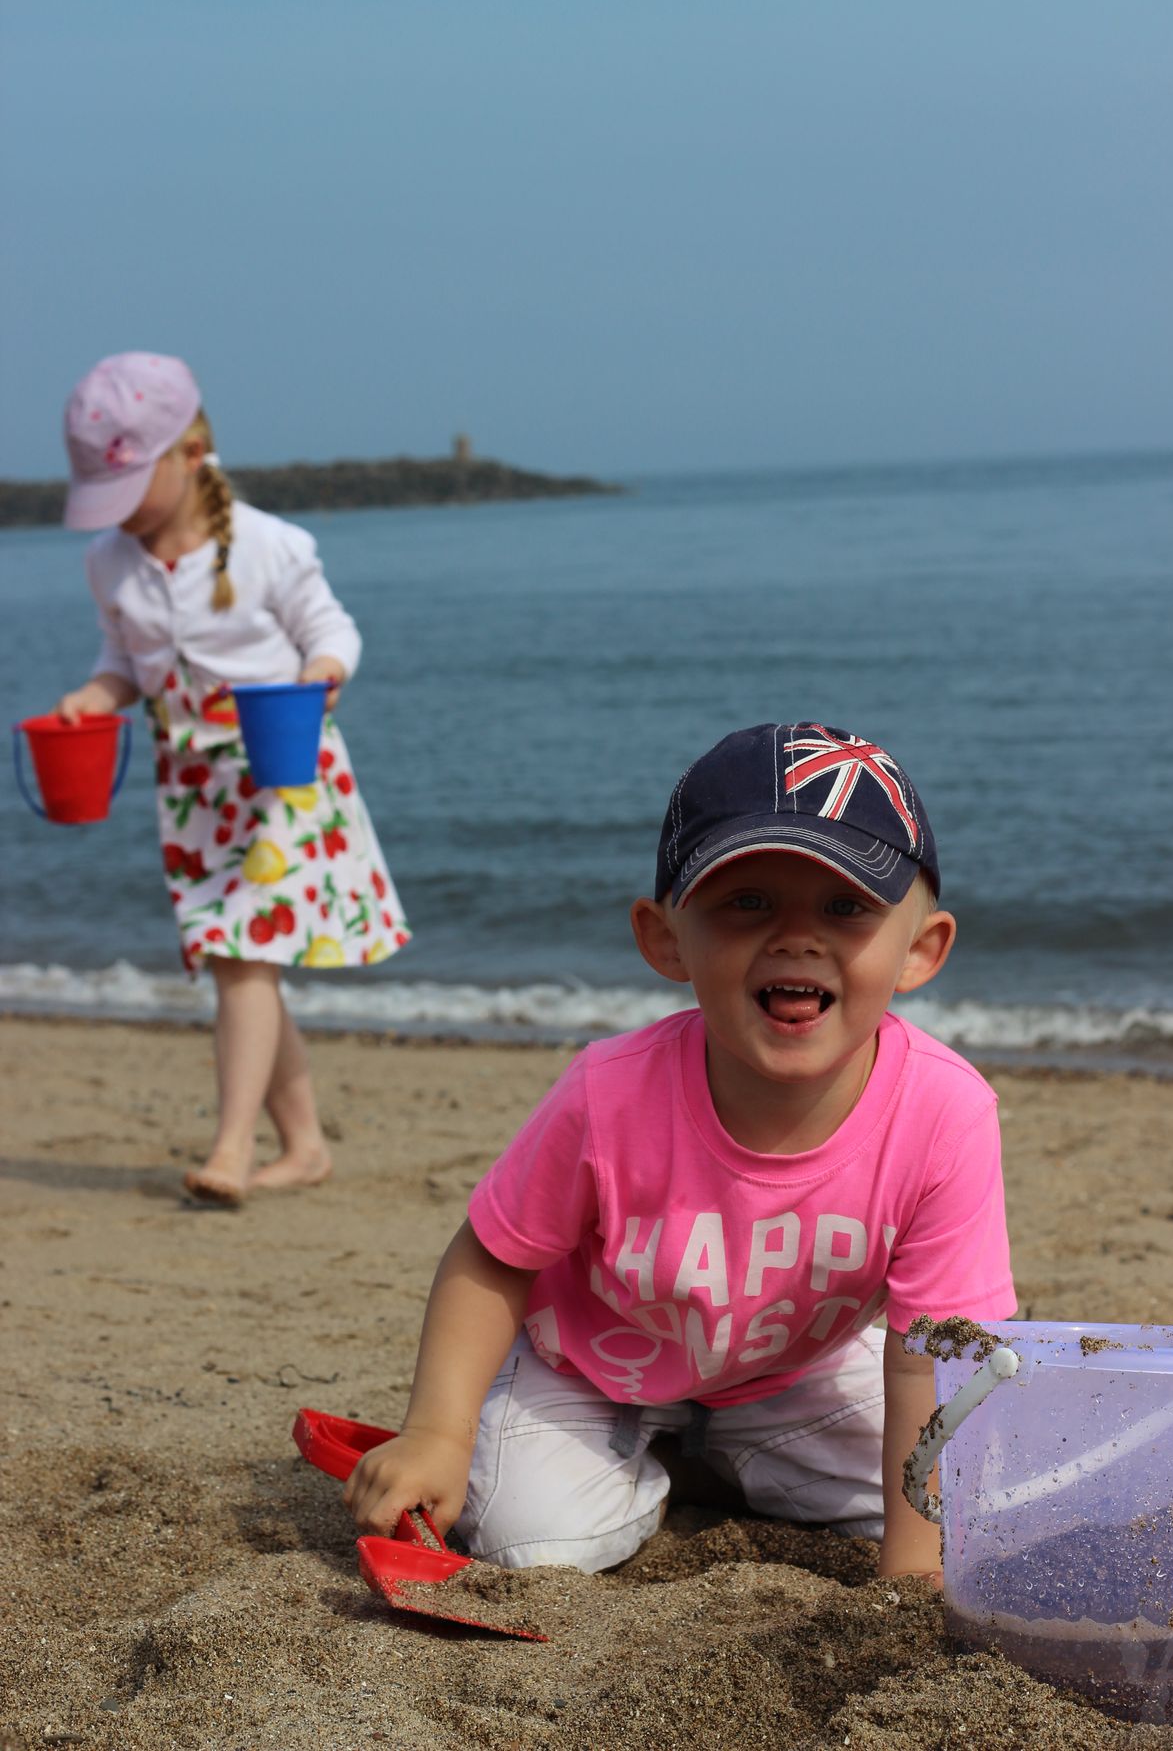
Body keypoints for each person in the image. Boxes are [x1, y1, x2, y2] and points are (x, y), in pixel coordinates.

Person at [344, 721, 1015, 1580]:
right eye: (747, 902)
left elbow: (936, 1352)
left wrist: (913, 1575)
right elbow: (493, 1255)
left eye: (846, 907)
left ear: (921, 949)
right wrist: (438, 1430)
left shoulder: (944, 1112)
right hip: (588, 1367)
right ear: (665, 938)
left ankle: (708, 1461)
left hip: (787, 1375)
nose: (796, 937)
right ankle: (667, 1459)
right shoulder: (609, 1092)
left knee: (976, 1499)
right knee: (536, 1544)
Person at [55, 351, 410, 1207]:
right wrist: (92, 700)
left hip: (280, 782)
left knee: (242, 959)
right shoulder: (111, 563)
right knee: (242, 964)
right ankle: (305, 1145)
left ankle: (231, 1149)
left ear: (191, 449)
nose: (123, 515)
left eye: (132, 488)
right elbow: (125, 663)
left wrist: (322, 669)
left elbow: (334, 628)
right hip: (194, 793)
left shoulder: (268, 546)